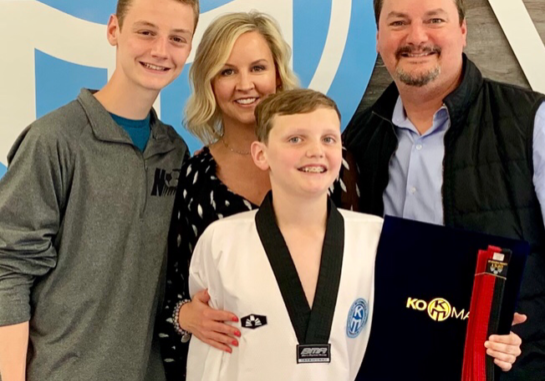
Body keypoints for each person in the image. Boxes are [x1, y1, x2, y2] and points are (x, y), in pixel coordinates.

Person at [342, 0, 544, 378]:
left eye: (434, 20)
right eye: (399, 22)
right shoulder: (356, 143)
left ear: (463, 32)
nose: (416, 37)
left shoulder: (532, 122)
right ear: (379, 39)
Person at [0, 0, 198, 380]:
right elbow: (9, 270)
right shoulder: (54, 140)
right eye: (146, 31)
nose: (160, 50)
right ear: (113, 30)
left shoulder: (174, 152)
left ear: (188, 49)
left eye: (177, 38)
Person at [186, 88, 382, 381]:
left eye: (328, 138)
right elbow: (208, 358)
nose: (315, 150)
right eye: (295, 139)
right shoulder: (221, 242)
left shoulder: (377, 240)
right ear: (261, 154)